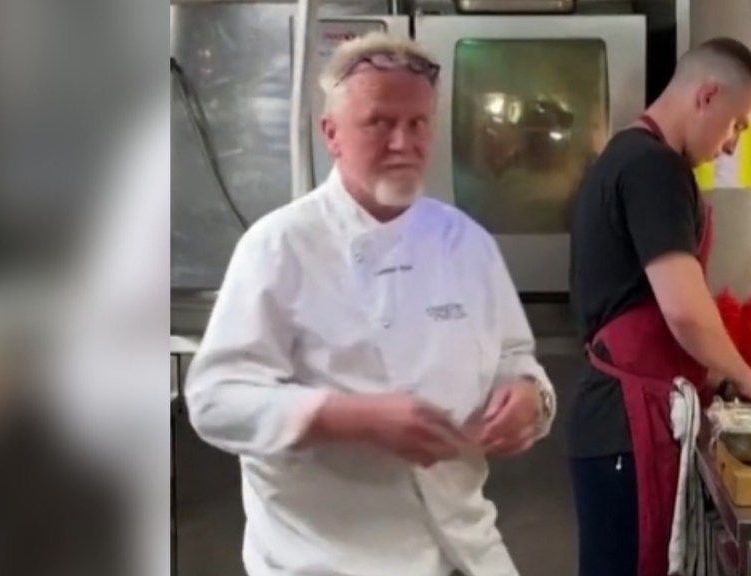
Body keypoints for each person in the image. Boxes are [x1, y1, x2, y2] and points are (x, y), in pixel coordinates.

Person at [183, 32, 556, 576]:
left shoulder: (467, 243)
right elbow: (215, 400)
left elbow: (515, 358)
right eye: (379, 122)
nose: (403, 142)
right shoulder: (280, 246)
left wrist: (529, 398)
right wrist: (345, 417)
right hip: (326, 563)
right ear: (331, 134)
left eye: (418, 123)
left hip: (466, 553)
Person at [568, 38, 751, 576]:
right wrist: (745, 376)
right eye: (738, 125)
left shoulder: (630, 156)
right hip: (627, 421)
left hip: (620, 417)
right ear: (707, 95)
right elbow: (684, 309)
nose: (731, 145)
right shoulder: (653, 168)